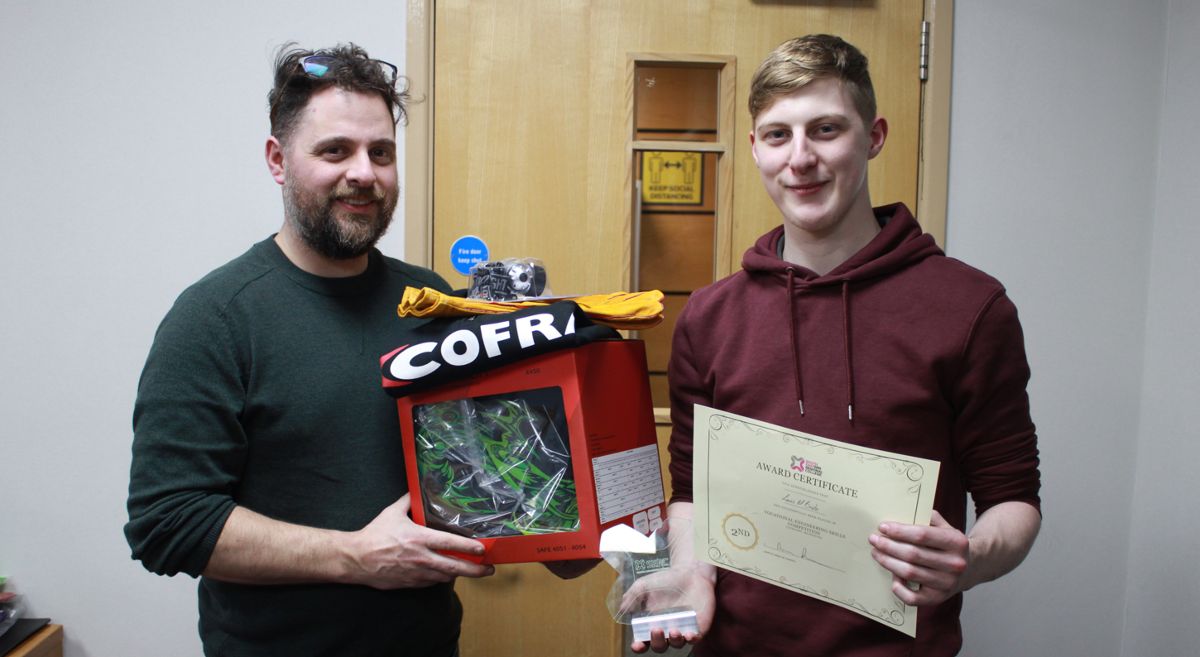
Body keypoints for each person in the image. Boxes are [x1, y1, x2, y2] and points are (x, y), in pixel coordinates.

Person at [636, 34, 1042, 656]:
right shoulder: (710, 317)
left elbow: (1012, 499)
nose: (800, 159)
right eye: (778, 135)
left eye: (825, 130)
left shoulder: (969, 309)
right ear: (755, 148)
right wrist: (692, 572)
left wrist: (970, 560)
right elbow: (691, 494)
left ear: (873, 136)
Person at [124, 43, 495, 657]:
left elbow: (477, 463)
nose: (364, 173)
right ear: (278, 160)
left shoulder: (431, 300)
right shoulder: (215, 317)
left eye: (381, 152)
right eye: (334, 151)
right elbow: (168, 523)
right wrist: (354, 558)